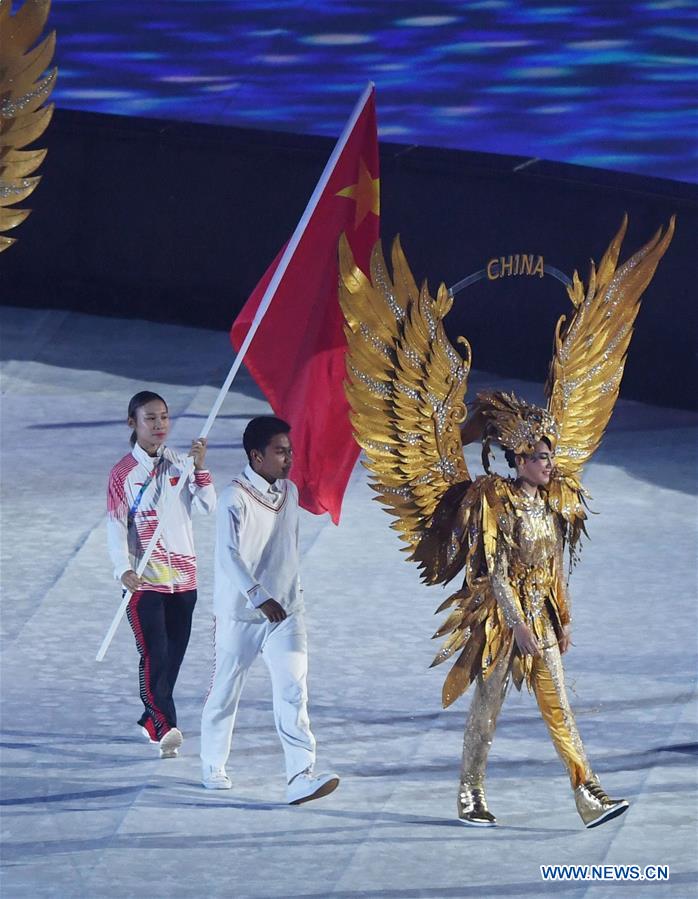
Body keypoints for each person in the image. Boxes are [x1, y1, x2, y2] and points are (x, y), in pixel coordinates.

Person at [337, 218, 673, 827]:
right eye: (541, 455)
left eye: (550, 454)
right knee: (487, 707)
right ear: (520, 459)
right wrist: (515, 626)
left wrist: (559, 617)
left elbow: (556, 560)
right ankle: (470, 794)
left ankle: (586, 792)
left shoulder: (552, 498)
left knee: (558, 704)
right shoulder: (489, 497)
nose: (551, 462)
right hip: (499, 617)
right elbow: (491, 569)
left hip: (539, 614)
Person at [200, 415, 339, 804]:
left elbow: (289, 547)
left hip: (286, 613)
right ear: (256, 455)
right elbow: (228, 557)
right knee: (225, 691)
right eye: (280, 451)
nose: (288, 459)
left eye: (290, 451)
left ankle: (300, 774)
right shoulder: (234, 497)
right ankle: (213, 763)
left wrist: (290, 592)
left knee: (294, 691)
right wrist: (259, 595)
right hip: (240, 615)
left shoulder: (289, 492)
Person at [107, 391, 215, 758]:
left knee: (172, 658)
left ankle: (150, 718)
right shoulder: (124, 473)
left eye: (164, 418)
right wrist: (122, 569)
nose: (159, 426)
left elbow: (206, 506)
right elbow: (116, 526)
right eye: (150, 419)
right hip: (144, 580)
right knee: (154, 653)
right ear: (132, 424)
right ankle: (164, 725)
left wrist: (199, 469)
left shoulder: (179, 465)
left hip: (184, 580)